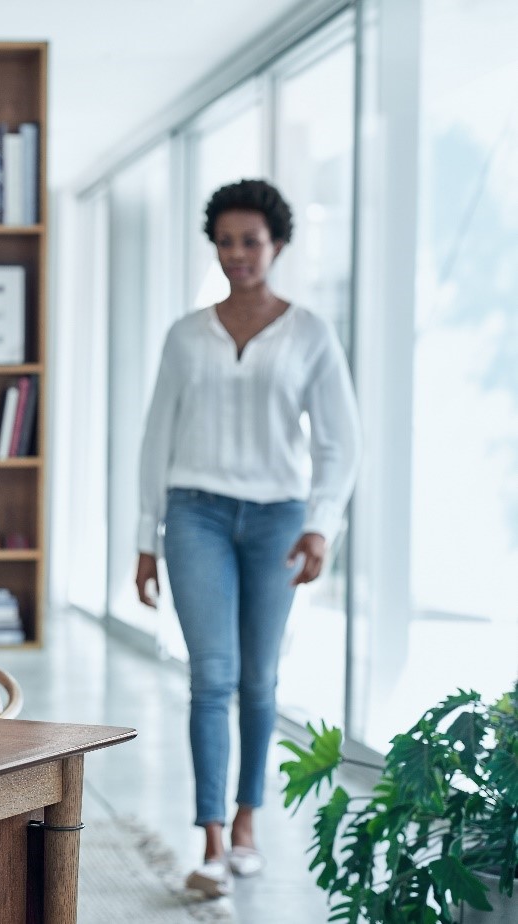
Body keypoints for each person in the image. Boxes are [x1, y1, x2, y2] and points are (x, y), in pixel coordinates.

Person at [135, 179, 361, 898]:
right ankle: (207, 843)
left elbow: (339, 444)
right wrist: (146, 536)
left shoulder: (310, 334)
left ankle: (246, 825)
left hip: (277, 521)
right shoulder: (185, 335)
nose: (238, 255)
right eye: (226, 242)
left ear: (278, 246)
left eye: (251, 242)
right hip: (194, 513)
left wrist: (321, 524)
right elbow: (155, 441)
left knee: (260, 680)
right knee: (213, 676)